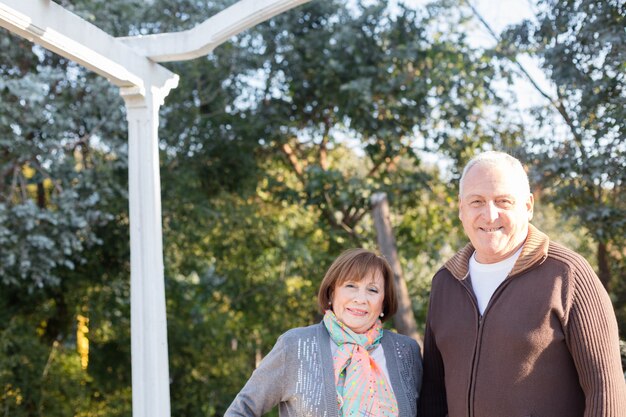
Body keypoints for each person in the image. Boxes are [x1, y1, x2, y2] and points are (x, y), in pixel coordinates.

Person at [419, 151, 626, 416]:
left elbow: (605, 390)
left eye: (503, 201)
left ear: (528, 206)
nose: (489, 214)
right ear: (461, 209)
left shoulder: (567, 274)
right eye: (477, 201)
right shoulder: (446, 282)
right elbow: (434, 394)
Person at [225, 248, 422, 417]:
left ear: (384, 302)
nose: (360, 299)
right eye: (351, 286)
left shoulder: (405, 351)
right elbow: (242, 410)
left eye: (372, 290)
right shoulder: (295, 346)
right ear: (331, 293)